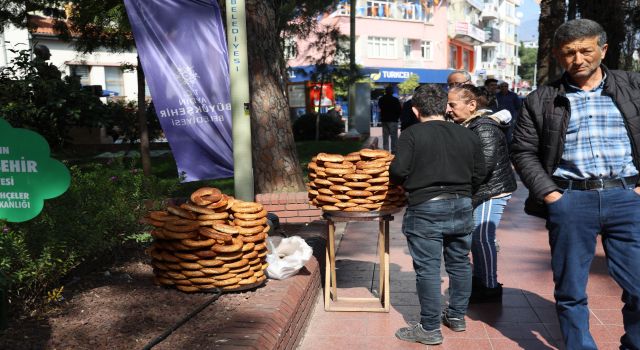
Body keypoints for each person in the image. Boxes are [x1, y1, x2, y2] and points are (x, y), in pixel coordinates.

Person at [510, 19, 640, 350]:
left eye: (585, 50)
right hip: (571, 201)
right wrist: (551, 195)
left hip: (628, 198)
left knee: (639, 285)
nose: (578, 59)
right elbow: (523, 151)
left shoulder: (634, 86)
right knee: (570, 289)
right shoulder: (541, 99)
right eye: (569, 53)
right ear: (557, 55)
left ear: (603, 49)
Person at [390, 84, 486, 345]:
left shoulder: (411, 135)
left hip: (426, 207)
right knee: (459, 263)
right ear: (445, 107)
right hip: (462, 204)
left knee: (429, 269)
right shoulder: (468, 134)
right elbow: (480, 172)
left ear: (415, 109)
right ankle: (456, 316)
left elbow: (397, 171)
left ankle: (430, 328)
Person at [446, 84, 517, 304]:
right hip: (484, 189)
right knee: (480, 238)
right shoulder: (472, 124)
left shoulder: (484, 127)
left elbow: (483, 167)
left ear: (472, 105)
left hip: (490, 190)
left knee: (482, 238)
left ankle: (489, 286)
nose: (448, 109)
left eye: (452, 104)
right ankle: (482, 280)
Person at [378, 85, 402, 153]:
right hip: (393, 120)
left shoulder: (381, 99)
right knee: (394, 136)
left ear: (385, 91)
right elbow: (399, 110)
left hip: (384, 119)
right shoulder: (395, 100)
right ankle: (394, 150)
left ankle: (386, 150)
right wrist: (398, 117)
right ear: (392, 92)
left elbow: (380, 108)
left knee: (385, 136)